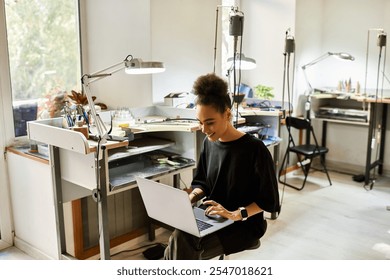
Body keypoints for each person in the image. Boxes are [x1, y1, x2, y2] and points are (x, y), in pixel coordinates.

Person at [164, 73, 280, 260]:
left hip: (243, 223)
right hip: (212, 214)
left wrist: (235, 214)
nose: (204, 129)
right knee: (179, 238)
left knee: (183, 249)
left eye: (210, 122)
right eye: (200, 123)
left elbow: (269, 200)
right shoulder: (209, 143)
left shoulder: (254, 149)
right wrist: (190, 198)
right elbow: (203, 182)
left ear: (227, 113)